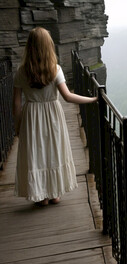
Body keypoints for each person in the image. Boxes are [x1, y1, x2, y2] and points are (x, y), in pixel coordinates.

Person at [13, 27, 97, 206]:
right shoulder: (55, 69)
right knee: (53, 149)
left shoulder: (21, 71)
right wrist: (92, 99)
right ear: (48, 46)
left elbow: (17, 103)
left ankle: (41, 195)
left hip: (31, 116)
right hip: (52, 114)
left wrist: (18, 126)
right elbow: (68, 96)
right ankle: (54, 193)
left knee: (36, 152)